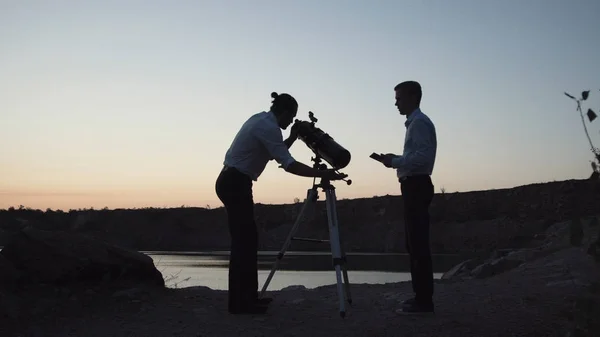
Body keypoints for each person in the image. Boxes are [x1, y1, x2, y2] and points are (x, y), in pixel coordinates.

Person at [215, 92, 347, 315]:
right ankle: (240, 304)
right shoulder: (269, 128)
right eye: (291, 117)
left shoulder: (260, 119)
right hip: (235, 182)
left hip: (232, 180)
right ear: (285, 112)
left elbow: (273, 150)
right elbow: (289, 164)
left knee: (246, 241)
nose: (290, 123)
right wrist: (324, 174)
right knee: (243, 243)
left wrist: (294, 137)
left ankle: (247, 298)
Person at [379, 81, 437, 314]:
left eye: (399, 98)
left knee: (418, 244)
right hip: (413, 185)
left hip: (416, 185)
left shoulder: (419, 123)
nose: (396, 102)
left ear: (413, 97)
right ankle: (420, 297)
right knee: (414, 243)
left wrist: (394, 161)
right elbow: (416, 156)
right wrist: (397, 159)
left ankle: (423, 301)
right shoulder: (415, 124)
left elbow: (422, 159)